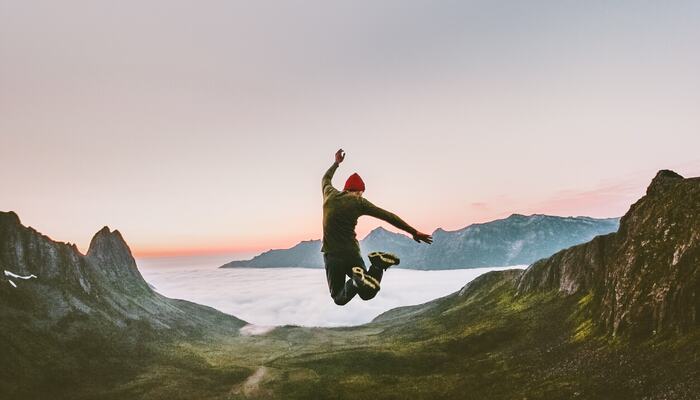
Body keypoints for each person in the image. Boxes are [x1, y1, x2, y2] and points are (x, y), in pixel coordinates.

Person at [321, 148, 433, 305]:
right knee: (367, 293)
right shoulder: (360, 202)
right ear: (359, 191)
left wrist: (336, 163)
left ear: (346, 188)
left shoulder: (329, 194)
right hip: (351, 252)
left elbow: (326, 178)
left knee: (339, 298)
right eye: (361, 193)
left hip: (332, 255)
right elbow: (388, 216)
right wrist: (413, 232)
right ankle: (377, 265)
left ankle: (356, 280)